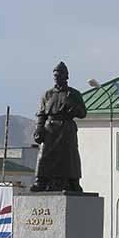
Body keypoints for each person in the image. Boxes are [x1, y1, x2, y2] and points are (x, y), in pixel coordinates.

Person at [31, 61, 88, 192]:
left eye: (59, 75)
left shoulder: (74, 93)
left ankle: (74, 182)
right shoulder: (48, 94)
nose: (56, 78)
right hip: (50, 129)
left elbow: (82, 113)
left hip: (66, 129)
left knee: (70, 157)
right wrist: (39, 129)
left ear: (66, 76)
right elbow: (41, 114)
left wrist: (71, 103)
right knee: (44, 156)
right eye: (55, 75)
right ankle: (40, 181)